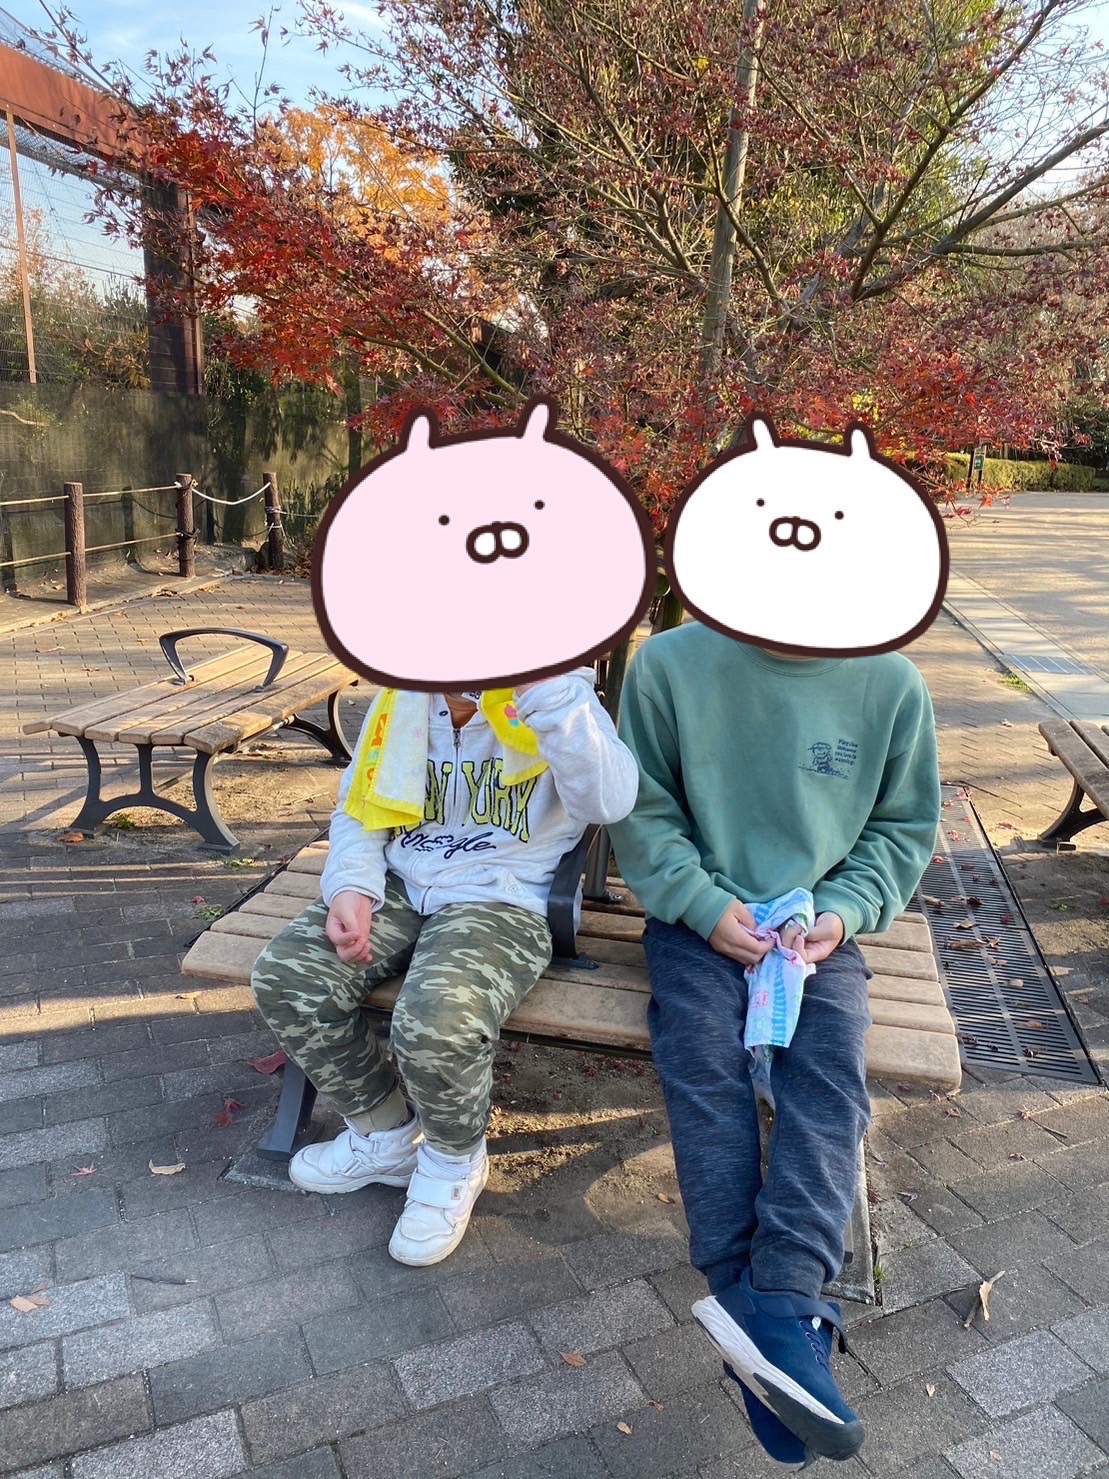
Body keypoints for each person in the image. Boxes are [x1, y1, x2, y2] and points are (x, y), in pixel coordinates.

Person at [609, 624, 940, 1466]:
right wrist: (699, 902)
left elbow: (898, 830)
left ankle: (776, 1300)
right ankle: (765, 1314)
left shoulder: (890, 683)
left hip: (816, 932)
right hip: (696, 922)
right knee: (702, 1064)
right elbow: (643, 809)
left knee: (828, 1078)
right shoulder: (668, 664)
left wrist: (839, 912)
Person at [253, 671, 637, 1266]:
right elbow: (358, 807)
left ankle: (453, 1161)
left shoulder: (557, 695)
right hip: (399, 881)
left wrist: (548, 693)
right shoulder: (400, 698)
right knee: (290, 979)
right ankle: (385, 1137)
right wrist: (351, 886)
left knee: (437, 1020)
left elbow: (609, 801)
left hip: (504, 896)